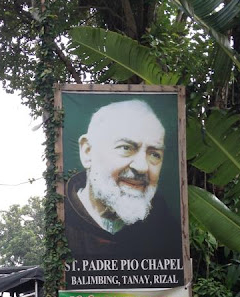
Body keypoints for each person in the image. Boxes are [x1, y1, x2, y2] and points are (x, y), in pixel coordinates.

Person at [64, 99, 182, 260]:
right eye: (126, 148)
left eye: (154, 154)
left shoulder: (167, 230)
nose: (142, 167)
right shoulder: (61, 221)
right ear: (88, 152)